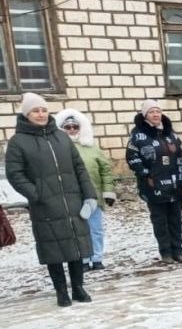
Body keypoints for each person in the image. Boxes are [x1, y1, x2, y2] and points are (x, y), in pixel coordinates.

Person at [6, 93, 97, 307]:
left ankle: (78, 287)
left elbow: (79, 168)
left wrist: (89, 195)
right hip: (45, 205)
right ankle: (61, 291)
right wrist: (36, 194)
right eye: (35, 111)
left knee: (76, 246)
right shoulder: (18, 141)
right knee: (53, 249)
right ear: (26, 114)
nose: (41, 114)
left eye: (43, 110)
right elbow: (14, 173)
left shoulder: (62, 136)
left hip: (72, 201)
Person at [126, 100, 182, 264]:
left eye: (158, 111)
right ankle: (166, 252)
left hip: (176, 184)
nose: (156, 115)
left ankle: (178, 250)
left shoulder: (170, 133)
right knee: (160, 220)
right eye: (151, 112)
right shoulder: (138, 135)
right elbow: (132, 157)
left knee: (176, 219)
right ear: (145, 115)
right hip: (153, 185)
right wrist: (144, 173)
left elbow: (181, 154)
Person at [55, 108, 116, 271]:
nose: (72, 130)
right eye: (68, 127)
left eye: (75, 126)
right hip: (72, 198)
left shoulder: (92, 148)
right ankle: (83, 259)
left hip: (93, 196)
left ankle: (97, 258)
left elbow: (106, 170)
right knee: (77, 230)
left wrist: (108, 191)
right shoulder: (57, 150)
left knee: (95, 229)